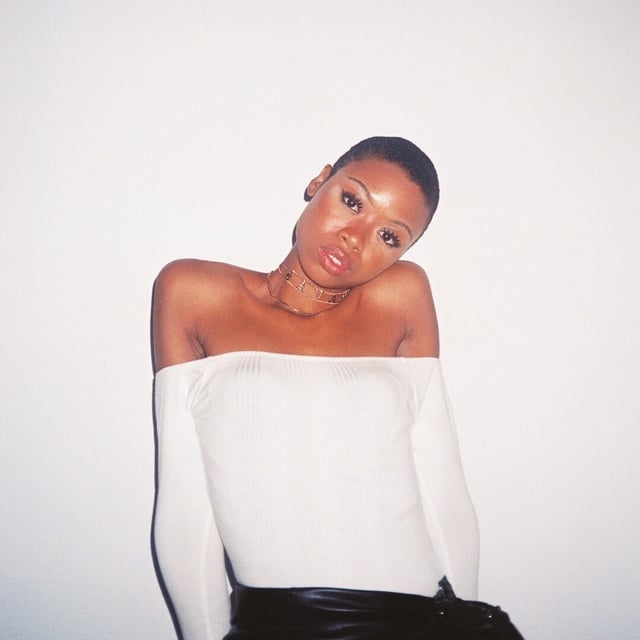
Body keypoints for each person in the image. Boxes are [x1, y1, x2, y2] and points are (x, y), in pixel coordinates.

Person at [151, 137, 523, 639]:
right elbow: (186, 506)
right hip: (277, 623)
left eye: (389, 236)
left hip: (419, 621)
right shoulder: (193, 292)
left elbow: (443, 484)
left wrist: (466, 620)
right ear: (319, 180)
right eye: (352, 201)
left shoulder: (400, 296)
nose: (354, 238)